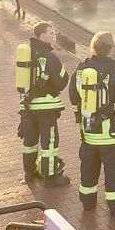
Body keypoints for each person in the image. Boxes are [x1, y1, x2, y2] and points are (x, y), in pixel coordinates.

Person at [69, 32, 115, 217]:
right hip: (111, 136)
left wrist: (81, 118)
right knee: (114, 172)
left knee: (88, 169)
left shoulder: (81, 69)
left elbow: (73, 95)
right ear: (112, 49)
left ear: (93, 46)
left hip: (88, 134)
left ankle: (88, 203)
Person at [19, 22, 71, 187]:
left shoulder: (26, 55)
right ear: (41, 35)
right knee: (49, 144)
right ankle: (50, 177)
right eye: (51, 34)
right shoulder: (49, 57)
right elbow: (62, 80)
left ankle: (29, 173)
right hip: (46, 108)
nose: (53, 37)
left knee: (30, 142)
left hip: (27, 106)